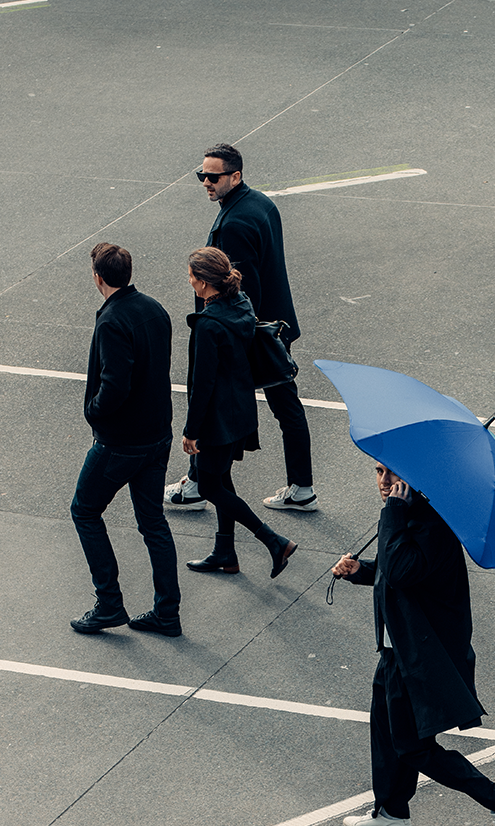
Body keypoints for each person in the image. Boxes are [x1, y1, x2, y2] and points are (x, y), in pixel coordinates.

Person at [331, 462, 495, 826]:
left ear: (415, 479)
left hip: (416, 657)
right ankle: (391, 812)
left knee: (411, 746)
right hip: (398, 651)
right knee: (386, 733)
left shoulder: (429, 524)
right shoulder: (413, 517)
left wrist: (393, 515)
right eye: (377, 472)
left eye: (392, 474)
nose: (384, 482)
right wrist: (360, 571)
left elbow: (403, 570)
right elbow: (400, 571)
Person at [165, 143, 317, 514]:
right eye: (202, 175)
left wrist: (224, 337)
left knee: (215, 403)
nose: (206, 182)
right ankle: (302, 486)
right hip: (275, 327)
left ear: (235, 176)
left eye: (213, 176)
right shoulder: (260, 203)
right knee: (287, 406)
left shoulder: (233, 224)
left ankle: (199, 483)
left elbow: (242, 289)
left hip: (251, 336)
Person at [70, 243, 182, 637]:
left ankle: (109, 603)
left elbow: (115, 385)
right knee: (153, 522)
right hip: (157, 434)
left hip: (120, 441)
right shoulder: (154, 309)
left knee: (84, 511)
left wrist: (94, 410)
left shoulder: (112, 321)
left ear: (98, 278)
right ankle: (167, 612)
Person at [182, 247, 297, 579]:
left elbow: (202, 383)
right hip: (241, 411)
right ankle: (225, 553)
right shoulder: (241, 304)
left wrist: (191, 430)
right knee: (222, 478)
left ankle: (274, 541)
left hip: (217, 419)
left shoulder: (208, 325)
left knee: (209, 486)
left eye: (191, 276)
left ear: (204, 282)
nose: (189, 281)